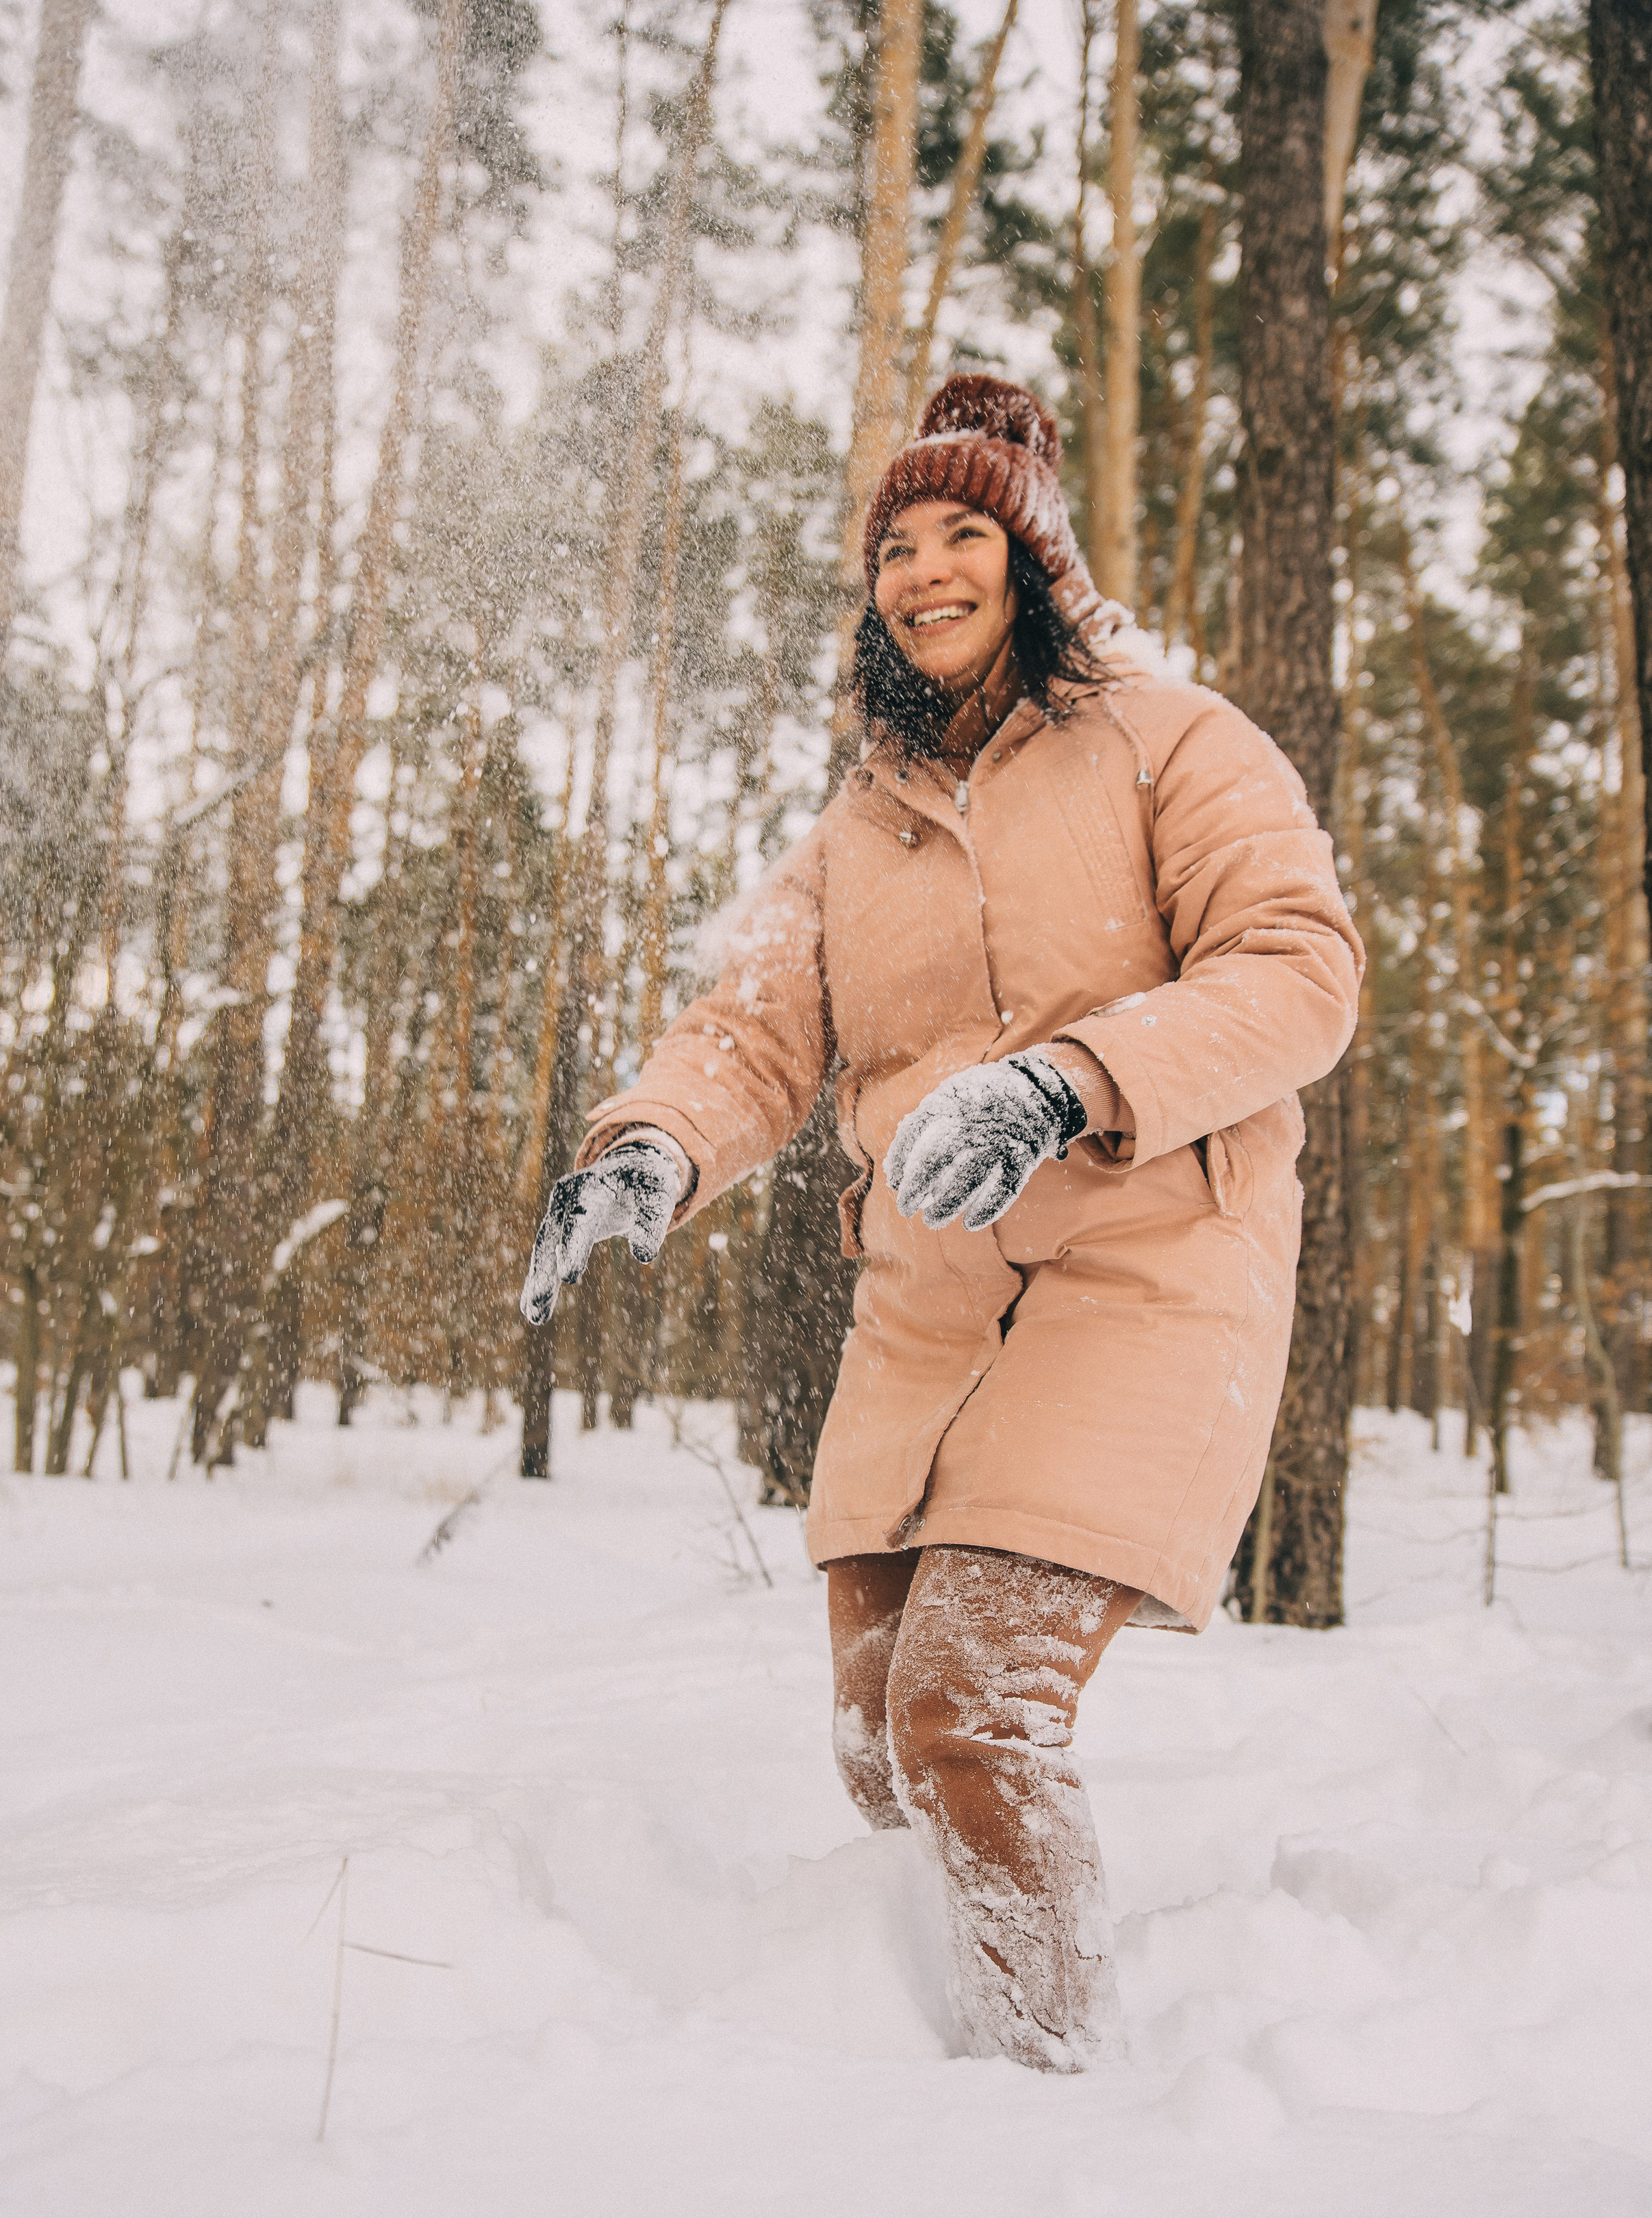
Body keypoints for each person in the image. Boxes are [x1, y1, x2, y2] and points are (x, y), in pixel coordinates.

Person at [520, 376, 1363, 2074]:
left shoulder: (1175, 741)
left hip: (1144, 1270)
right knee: (875, 1740)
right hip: (923, 1311)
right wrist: (651, 1150)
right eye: (893, 545)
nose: (920, 570)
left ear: (1030, 556)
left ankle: (1043, 2097)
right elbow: (753, 1030)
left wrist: (1066, 1080)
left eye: (959, 532)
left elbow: (1299, 973)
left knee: (965, 1721)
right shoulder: (865, 818)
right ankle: (907, 2041)